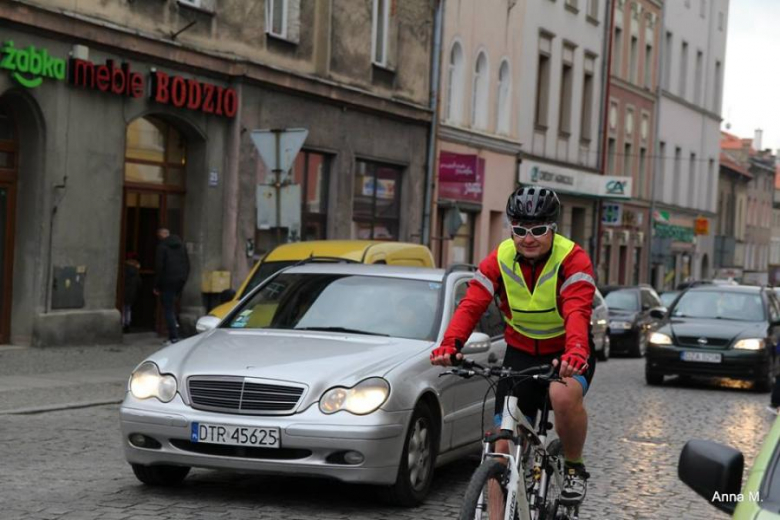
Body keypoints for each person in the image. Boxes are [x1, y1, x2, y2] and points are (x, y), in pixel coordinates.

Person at [430, 186, 597, 505]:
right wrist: (450, 344)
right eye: (519, 229)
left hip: (566, 352)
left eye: (538, 230)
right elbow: (471, 305)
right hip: (520, 354)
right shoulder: (500, 258)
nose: (528, 238)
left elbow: (577, 310)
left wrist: (575, 352)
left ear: (553, 228)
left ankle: (574, 467)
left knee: (561, 394)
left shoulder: (573, 259)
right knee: (501, 450)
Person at [154, 228, 190, 344]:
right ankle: (176, 333)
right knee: (173, 307)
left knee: (168, 309)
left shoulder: (162, 247)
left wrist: (157, 286)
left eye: (159, 236)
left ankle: (173, 336)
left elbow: (159, 267)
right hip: (179, 281)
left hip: (167, 282)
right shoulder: (182, 246)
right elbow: (188, 264)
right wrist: (183, 280)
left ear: (162, 235)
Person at [123, 252, 142, 333]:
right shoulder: (136, 271)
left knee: (123, 308)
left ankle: (123, 324)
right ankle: (127, 324)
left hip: (124, 291)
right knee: (128, 308)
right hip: (132, 292)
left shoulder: (124, 269)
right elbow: (139, 283)